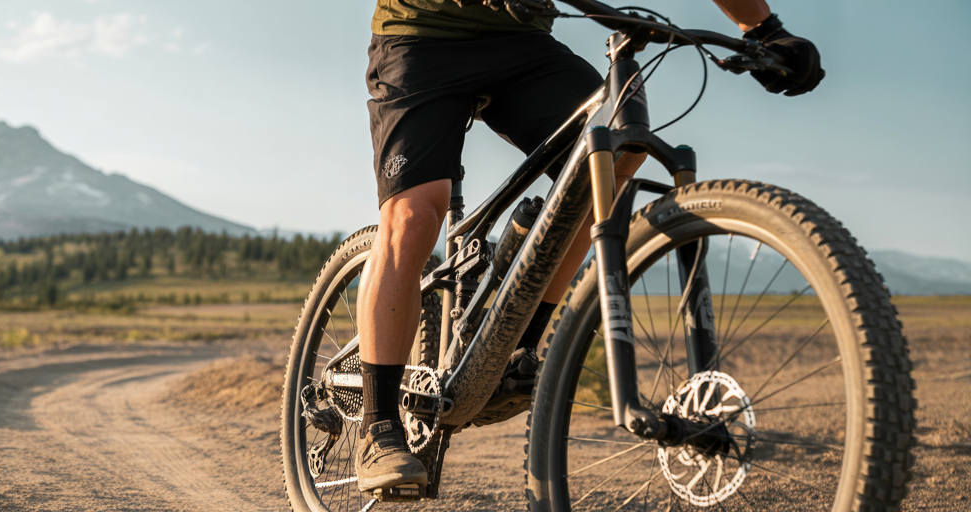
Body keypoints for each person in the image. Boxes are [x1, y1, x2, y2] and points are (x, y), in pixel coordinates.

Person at [353, 0, 825, 493]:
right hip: (421, 34)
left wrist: (764, 28)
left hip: (521, 40)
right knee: (413, 216)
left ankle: (513, 349)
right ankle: (380, 425)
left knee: (616, 152)